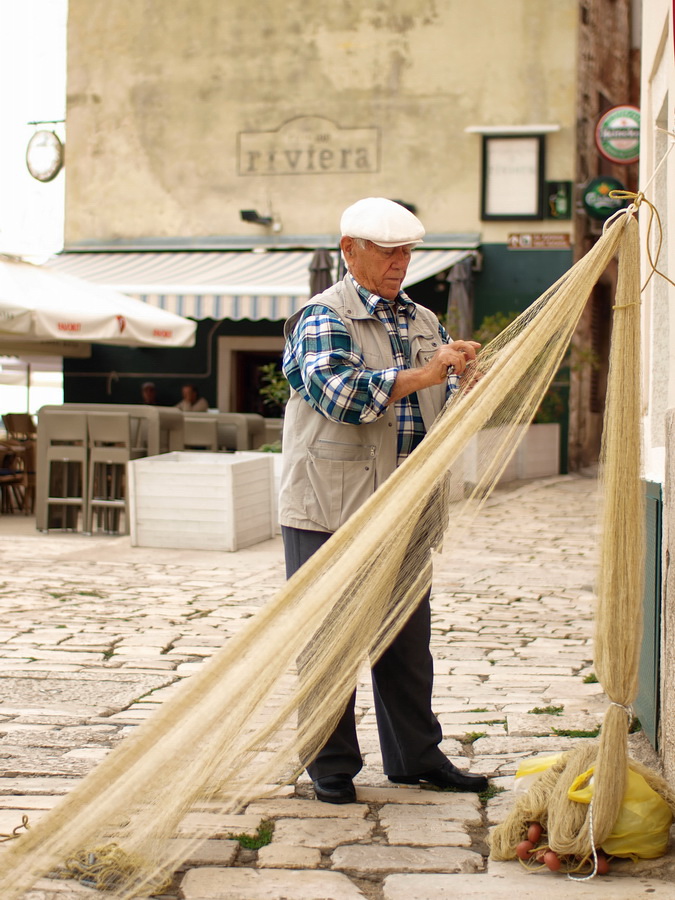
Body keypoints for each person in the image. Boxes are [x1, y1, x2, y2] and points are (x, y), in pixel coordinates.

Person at [279, 197, 486, 805]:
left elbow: (442, 405)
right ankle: (332, 766)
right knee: (329, 640)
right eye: (387, 251)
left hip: (407, 505)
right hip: (332, 508)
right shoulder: (323, 316)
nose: (400, 262)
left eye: (406, 252)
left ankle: (415, 758)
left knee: (405, 638)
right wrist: (427, 375)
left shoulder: (424, 320)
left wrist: (465, 380)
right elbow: (340, 395)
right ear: (350, 251)